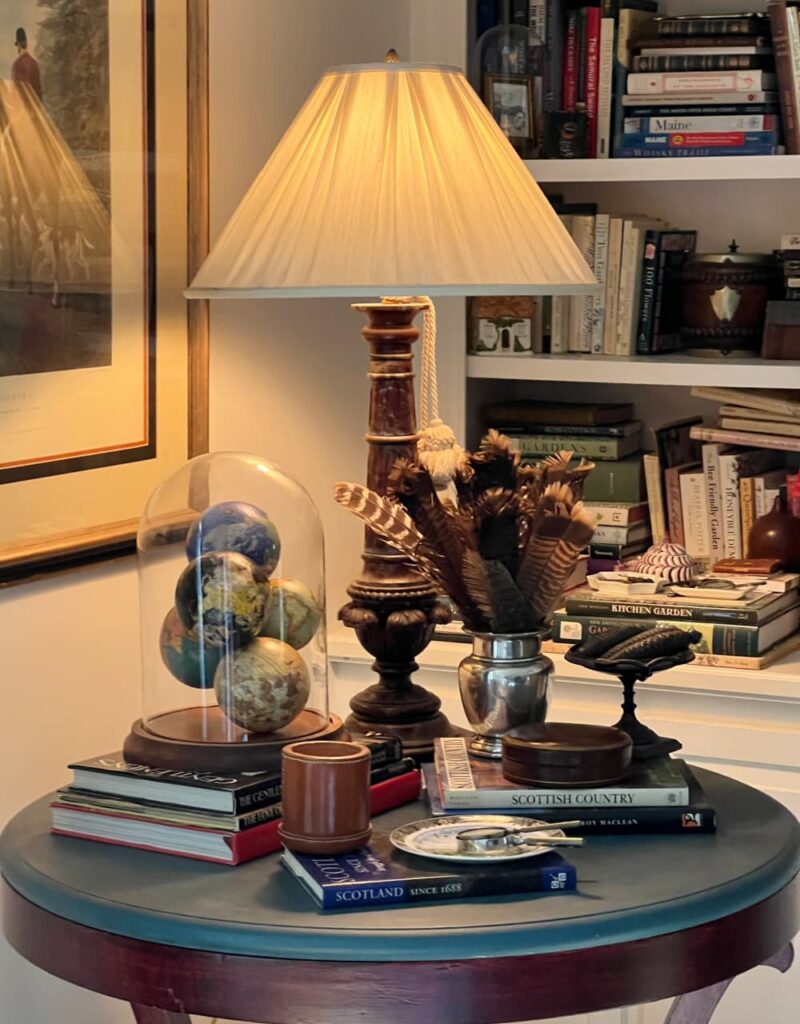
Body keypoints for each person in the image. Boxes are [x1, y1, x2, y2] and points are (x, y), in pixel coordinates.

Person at [12, 27, 42, 100]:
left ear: (18, 45)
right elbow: (38, 91)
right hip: (33, 104)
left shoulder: (17, 64)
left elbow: (16, 90)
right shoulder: (34, 63)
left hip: (21, 104)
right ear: (27, 44)